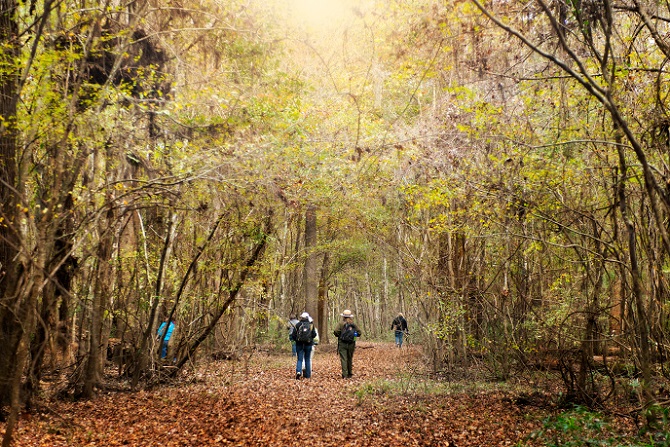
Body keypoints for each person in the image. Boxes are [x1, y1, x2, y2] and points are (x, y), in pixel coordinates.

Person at [333, 309, 361, 379]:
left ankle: (345, 375)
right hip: (351, 343)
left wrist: (340, 336)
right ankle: (350, 373)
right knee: (350, 358)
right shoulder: (353, 324)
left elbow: (336, 332)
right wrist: (354, 338)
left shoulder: (341, 323)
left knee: (344, 359)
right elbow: (359, 333)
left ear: (343, 316)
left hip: (342, 343)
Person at [291, 312, 317, 379]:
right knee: (307, 359)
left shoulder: (298, 325)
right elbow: (314, 335)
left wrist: (297, 340)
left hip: (299, 345)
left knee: (300, 359)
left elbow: (293, 335)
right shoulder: (311, 325)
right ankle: (307, 375)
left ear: (301, 317)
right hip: (308, 344)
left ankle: (298, 371)